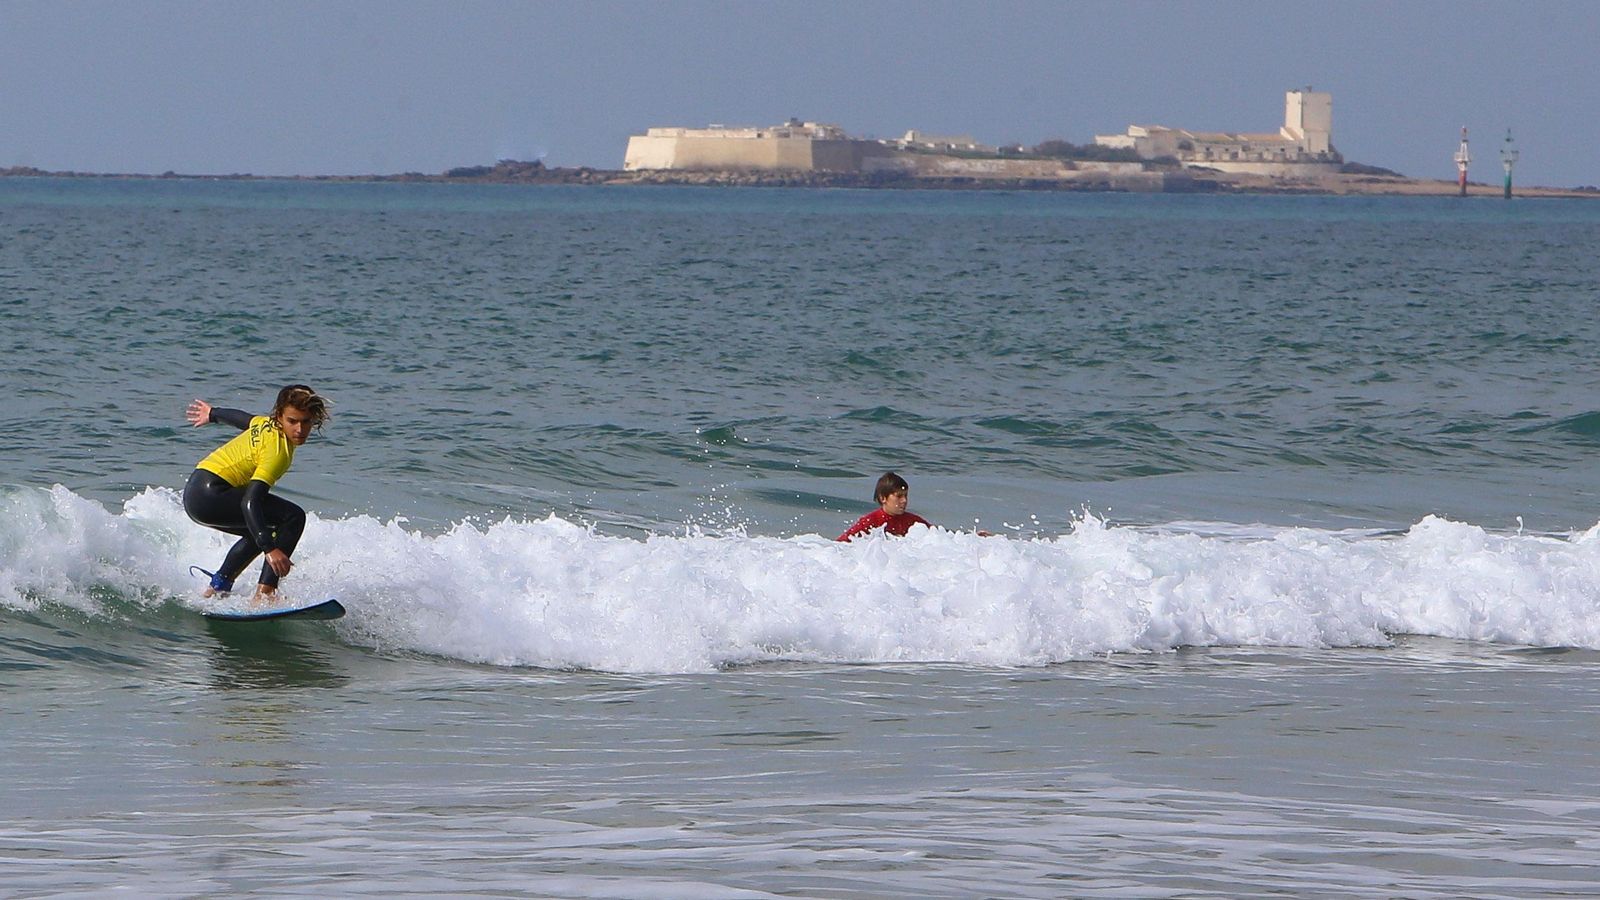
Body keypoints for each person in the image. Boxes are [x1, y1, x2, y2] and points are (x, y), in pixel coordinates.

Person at [183, 384, 330, 604]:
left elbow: (241, 418)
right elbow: (250, 502)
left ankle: (218, 588)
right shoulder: (277, 451)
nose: (299, 429)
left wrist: (213, 413)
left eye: (306, 421)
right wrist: (270, 549)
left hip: (196, 492)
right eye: (292, 421)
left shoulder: (264, 424)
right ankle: (265, 594)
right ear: (279, 416)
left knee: (258, 527)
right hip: (212, 494)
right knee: (293, 517)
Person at [837, 471, 934, 541]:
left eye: (905, 496)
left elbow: (939, 538)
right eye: (899, 496)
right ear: (883, 498)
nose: (904, 500)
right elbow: (842, 543)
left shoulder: (913, 521)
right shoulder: (871, 522)